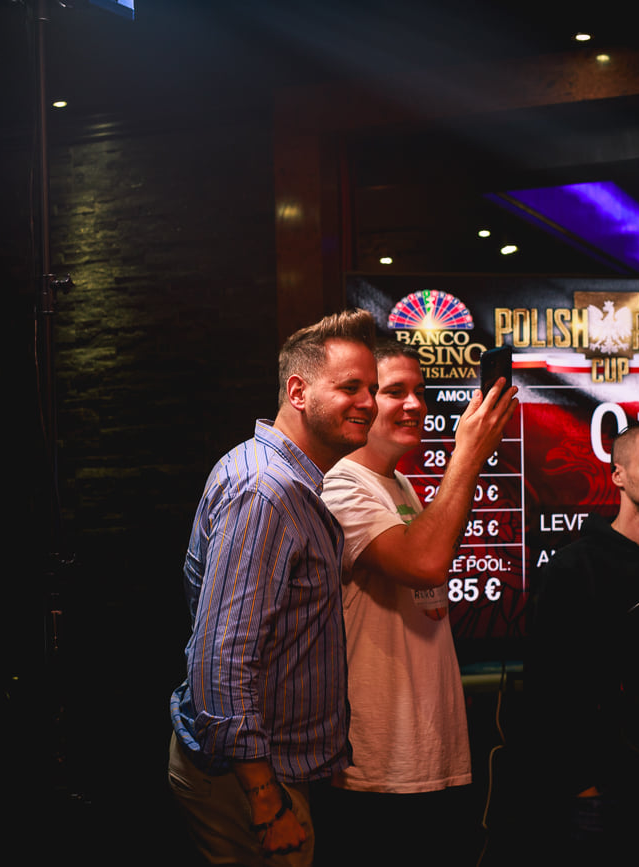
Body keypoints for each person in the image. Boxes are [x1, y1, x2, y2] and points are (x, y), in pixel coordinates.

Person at [167, 309, 379, 866]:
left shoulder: (287, 482)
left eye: (373, 389)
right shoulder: (266, 491)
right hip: (246, 783)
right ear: (298, 391)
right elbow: (221, 659)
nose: (370, 403)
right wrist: (264, 798)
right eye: (351, 388)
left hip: (267, 774)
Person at [315, 341, 517, 866]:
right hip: (376, 766)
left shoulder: (398, 483)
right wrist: (467, 455)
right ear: (363, 404)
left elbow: (432, 564)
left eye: (420, 392)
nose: (415, 405)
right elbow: (424, 562)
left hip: (425, 754)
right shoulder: (340, 486)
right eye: (395, 392)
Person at [526, 423, 639, 865]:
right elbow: (547, 685)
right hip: (601, 790)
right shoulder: (573, 567)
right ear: (618, 475)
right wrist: (581, 784)